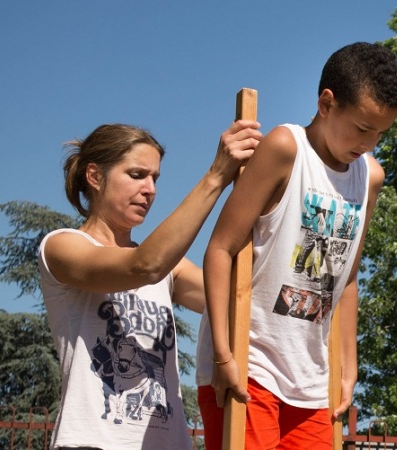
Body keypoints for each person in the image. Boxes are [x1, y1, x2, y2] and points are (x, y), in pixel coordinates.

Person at [196, 41, 397, 450]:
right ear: (327, 103)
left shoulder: (369, 178)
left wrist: (349, 367)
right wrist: (222, 355)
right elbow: (220, 248)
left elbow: (346, 279)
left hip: (310, 377)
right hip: (249, 363)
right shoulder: (286, 148)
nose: (369, 143)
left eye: (380, 134)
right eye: (362, 128)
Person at [39, 121, 261, 449]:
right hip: (93, 442)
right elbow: (145, 265)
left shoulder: (170, 270)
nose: (150, 189)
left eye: (155, 178)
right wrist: (216, 176)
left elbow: (240, 301)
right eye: (137, 175)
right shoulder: (61, 247)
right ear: (95, 176)